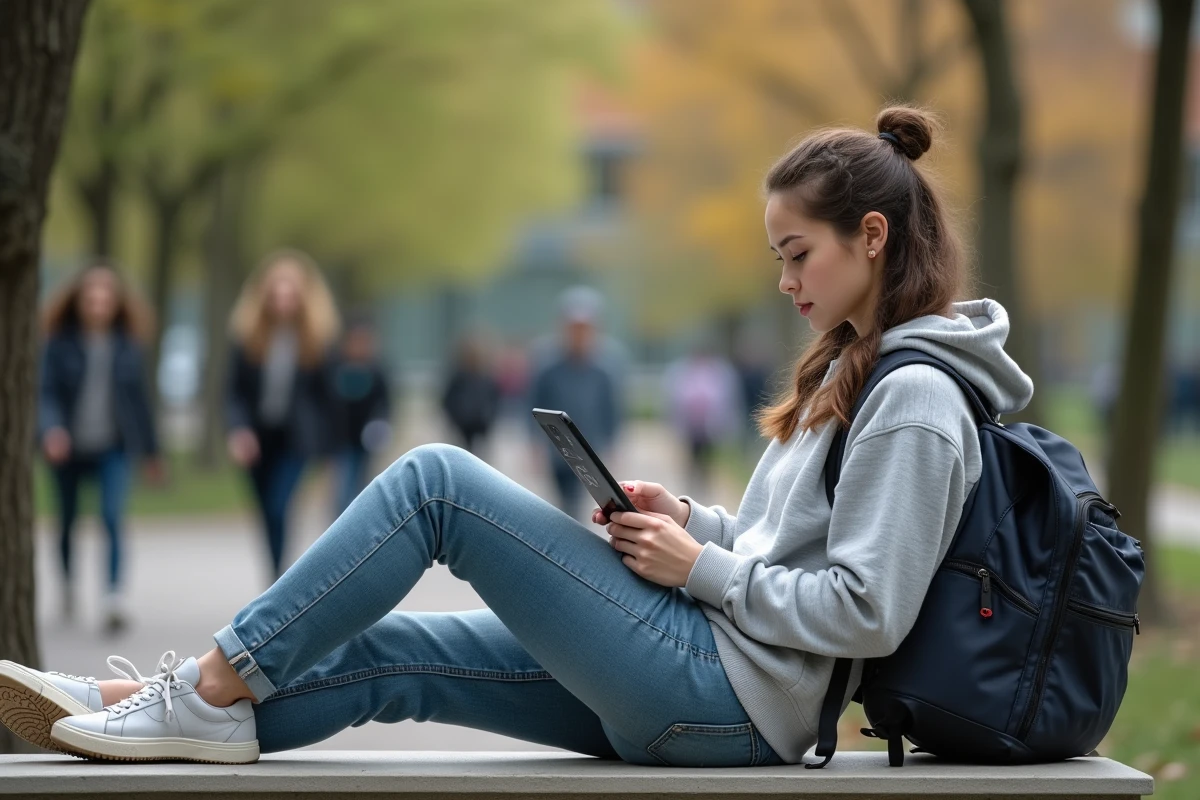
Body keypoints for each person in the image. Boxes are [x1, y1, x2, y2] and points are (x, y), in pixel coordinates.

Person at [1, 106, 1035, 768]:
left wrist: (703, 566)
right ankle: (141, 703)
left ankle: (208, 688)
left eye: (797, 252)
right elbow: (792, 537)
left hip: (731, 695)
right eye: (777, 255)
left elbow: (867, 606)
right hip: (710, 674)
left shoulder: (917, 398)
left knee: (439, 484)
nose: (785, 280)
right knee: (386, 653)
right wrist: (694, 519)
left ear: (873, 235)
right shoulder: (851, 369)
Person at [36, 262, 164, 635]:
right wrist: (51, 430)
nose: (97, 304)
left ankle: (113, 597)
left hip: (113, 446)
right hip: (68, 448)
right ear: (78, 301)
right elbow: (46, 393)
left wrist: (152, 453)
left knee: (112, 516)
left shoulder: (127, 346)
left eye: (105, 297)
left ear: (116, 303)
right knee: (67, 520)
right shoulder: (59, 344)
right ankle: (68, 585)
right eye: (90, 297)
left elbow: (140, 401)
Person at [225, 249, 340, 580]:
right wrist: (238, 429)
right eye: (276, 295)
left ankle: (279, 579)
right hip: (258, 438)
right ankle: (273, 575)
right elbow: (233, 392)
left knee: (280, 505)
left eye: (290, 295)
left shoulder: (318, 341)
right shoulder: (247, 338)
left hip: (297, 438)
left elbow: (328, 399)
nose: (283, 302)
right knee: (265, 512)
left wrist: (330, 450)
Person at [528, 286, 624, 517]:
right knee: (565, 498)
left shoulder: (605, 368)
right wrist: (534, 444)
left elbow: (611, 409)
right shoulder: (548, 365)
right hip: (557, 446)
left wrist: (613, 444)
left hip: (590, 445)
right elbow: (533, 404)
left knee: (580, 499)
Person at [329, 317, 393, 518]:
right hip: (341, 438)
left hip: (366, 439)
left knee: (362, 483)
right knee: (343, 483)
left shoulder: (375, 369)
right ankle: (341, 523)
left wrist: (380, 425)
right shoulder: (336, 366)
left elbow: (384, 402)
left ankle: (357, 521)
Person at [663, 340, 744, 497]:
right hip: (691, 425)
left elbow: (725, 400)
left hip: (709, 425)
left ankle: (703, 484)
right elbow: (675, 399)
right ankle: (692, 484)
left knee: (708, 456)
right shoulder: (683, 372)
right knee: (692, 455)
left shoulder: (719, 372)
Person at [440, 334, 502, 456]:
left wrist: (489, 416)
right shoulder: (458, 377)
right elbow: (448, 400)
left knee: (480, 459)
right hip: (462, 426)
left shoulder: (486, 376)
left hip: (482, 425)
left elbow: (494, 398)